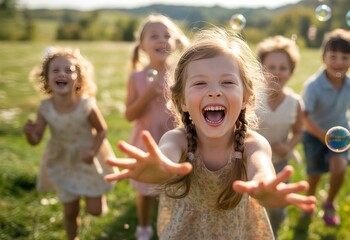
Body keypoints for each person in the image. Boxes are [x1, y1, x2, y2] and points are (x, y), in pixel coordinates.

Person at [105, 27, 316, 239]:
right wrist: (159, 168)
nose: (214, 91)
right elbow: (165, 158)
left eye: (227, 82)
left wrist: (264, 187)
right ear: (182, 101)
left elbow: (261, 169)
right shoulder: (177, 140)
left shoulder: (253, 144)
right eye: (200, 83)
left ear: (246, 97)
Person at [23, 47, 117, 240]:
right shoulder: (45, 108)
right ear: (46, 78)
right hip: (63, 162)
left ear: (79, 78)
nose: (62, 74)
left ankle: (98, 199)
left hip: (87, 161)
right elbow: (36, 140)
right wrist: (30, 134)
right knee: (70, 211)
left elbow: (102, 130)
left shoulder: (86, 105)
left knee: (95, 211)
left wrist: (92, 151)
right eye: (56, 70)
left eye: (69, 70)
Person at [301, 28, 350, 226]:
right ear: (323, 57)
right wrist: (320, 134)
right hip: (314, 134)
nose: (339, 62)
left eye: (345, 57)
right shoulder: (314, 86)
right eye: (333, 56)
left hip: (340, 134)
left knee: (339, 168)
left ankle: (329, 202)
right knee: (314, 175)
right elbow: (303, 117)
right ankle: (309, 201)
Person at [125, 14, 189, 240]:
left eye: (167, 35)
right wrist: (148, 94)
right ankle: (144, 226)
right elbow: (129, 114)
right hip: (146, 141)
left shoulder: (180, 75)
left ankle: (170, 226)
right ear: (142, 45)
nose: (162, 40)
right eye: (154, 36)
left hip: (174, 139)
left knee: (172, 188)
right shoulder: (137, 78)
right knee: (144, 189)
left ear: (175, 42)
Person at [255, 35, 304, 238]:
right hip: (254, 162)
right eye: (271, 67)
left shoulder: (295, 102)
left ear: (291, 72)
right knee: (254, 204)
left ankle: (272, 234)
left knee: (276, 207)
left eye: (283, 68)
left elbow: (299, 131)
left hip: (280, 162)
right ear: (261, 69)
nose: (276, 72)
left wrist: (289, 146)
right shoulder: (253, 98)